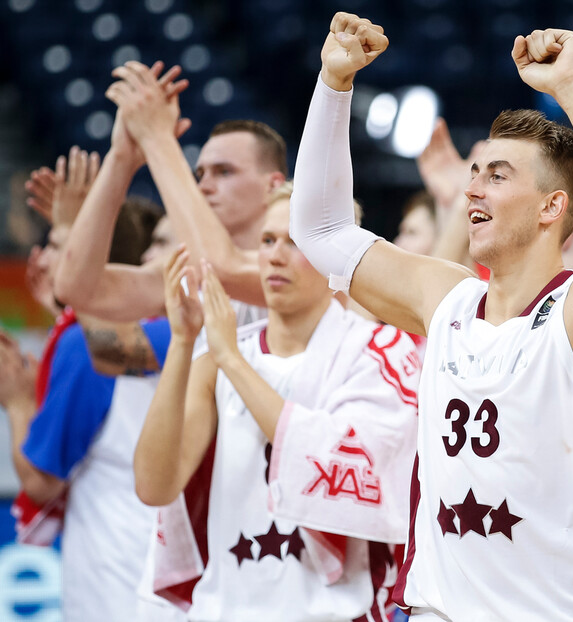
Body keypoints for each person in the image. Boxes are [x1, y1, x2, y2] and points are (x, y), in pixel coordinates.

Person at [290, 13, 573, 621]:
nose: (474, 190)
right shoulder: (445, 299)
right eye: (474, 174)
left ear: (552, 207)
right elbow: (320, 230)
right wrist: (333, 84)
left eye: (497, 176)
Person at [133, 189, 420, 620]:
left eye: (295, 242)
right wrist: (183, 340)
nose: (275, 256)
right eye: (267, 241)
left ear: (336, 254)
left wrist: (229, 358)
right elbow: (154, 486)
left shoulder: (380, 351)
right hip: (225, 608)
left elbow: (344, 474)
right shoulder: (219, 357)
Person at [0, 159, 176, 621]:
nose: (44, 258)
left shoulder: (102, 344)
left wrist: (18, 401)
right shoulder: (175, 336)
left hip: (120, 585)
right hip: (164, 579)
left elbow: (41, 482)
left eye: (60, 245)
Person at [54, 61, 285, 321]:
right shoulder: (185, 270)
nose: (204, 186)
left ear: (273, 186)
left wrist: (156, 137)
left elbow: (224, 268)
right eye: (200, 174)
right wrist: (121, 159)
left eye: (224, 172)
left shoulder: (302, 261)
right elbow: (76, 290)